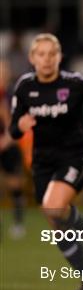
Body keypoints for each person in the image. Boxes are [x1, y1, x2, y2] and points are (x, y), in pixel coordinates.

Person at [9, 33, 83, 290]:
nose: (47, 59)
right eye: (41, 54)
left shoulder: (76, 82)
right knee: (54, 221)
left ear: (60, 56)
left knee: (53, 206)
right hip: (42, 162)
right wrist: (20, 126)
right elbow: (14, 129)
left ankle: (82, 224)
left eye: (52, 54)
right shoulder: (24, 86)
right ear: (32, 58)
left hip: (75, 155)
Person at [0, 60, 26, 239]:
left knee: (14, 185)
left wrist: (5, 141)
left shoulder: (11, 96)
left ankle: (18, 224)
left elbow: (14, 125)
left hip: (8, 145)